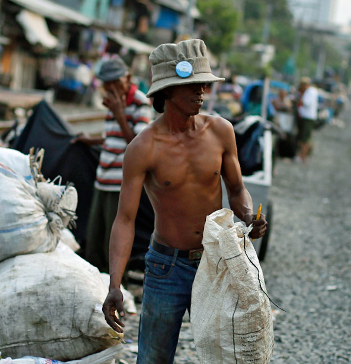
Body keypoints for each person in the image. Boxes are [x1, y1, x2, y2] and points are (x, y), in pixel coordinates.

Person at [101, 39, 268, 364]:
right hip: (167, 268)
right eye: (192, 86)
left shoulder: (221, 131)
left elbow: (236, 190)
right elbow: (125, 220)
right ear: (167, 92)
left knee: (229, 356)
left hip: (218, 262)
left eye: (203, 84)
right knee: (154, 358)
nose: (201, 92)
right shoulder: (143, 147)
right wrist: (115, 284)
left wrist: (248, 215)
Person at [72, 57, 153, 273]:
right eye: (107, 84)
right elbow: (113, 137)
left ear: (127, 78)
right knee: (94, 239)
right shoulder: (112, 100)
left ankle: (118, 290)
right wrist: (91, 140)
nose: (111, 88)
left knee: (114, 242)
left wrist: (119, 114)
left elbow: (138, 146)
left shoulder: (139, 102)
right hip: (103, 178)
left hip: (121, 183)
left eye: (115, 82)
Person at [296, 77, 318, 163]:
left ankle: (303, 157)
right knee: (303, 138)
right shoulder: (311, 91)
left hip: (308, 118)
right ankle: (301, 155)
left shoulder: (310, 92)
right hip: (306, 117)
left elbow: (306, 103)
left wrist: (301, 97)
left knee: (305, 138)